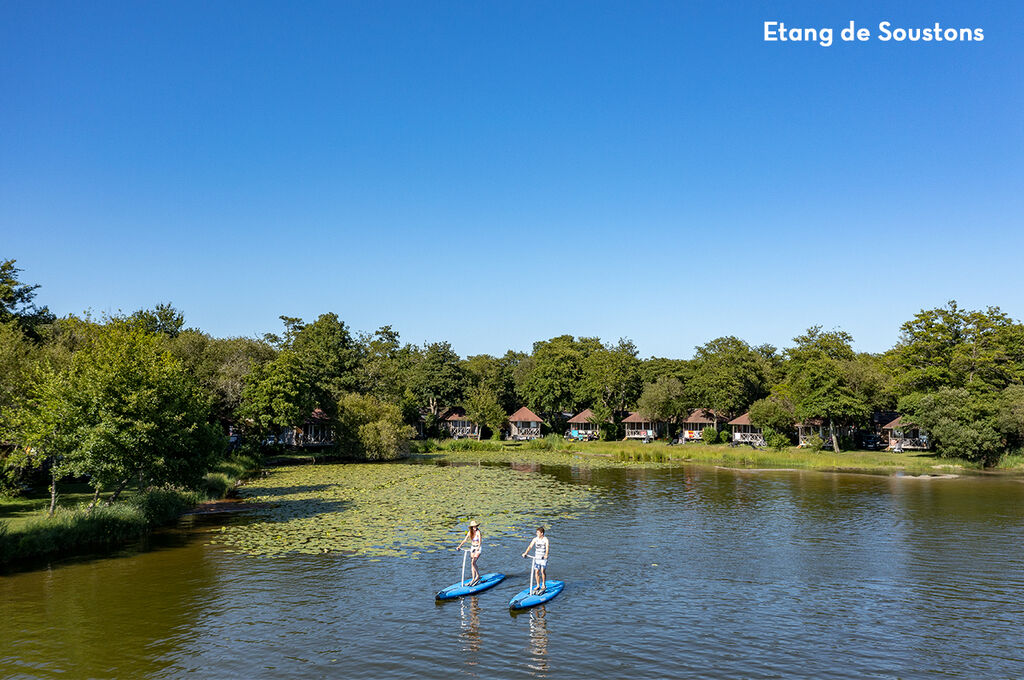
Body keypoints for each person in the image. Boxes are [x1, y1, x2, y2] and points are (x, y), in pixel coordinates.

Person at [522, 526, 549, 594]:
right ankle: (537, 585)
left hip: (543, 558)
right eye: (536, 532)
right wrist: (526, 553)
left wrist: (546, 555)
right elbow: (530, 546)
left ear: (542, 533)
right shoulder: (535, 539)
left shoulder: (545, 539)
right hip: (537, 558)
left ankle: (543, 585)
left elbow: (547, 547)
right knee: (536, 571)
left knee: (542, 571)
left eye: (538, 532)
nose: (536, 533)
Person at [456, 520, 483, 586]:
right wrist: (459, 546)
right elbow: (465, 540)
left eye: (476, 526)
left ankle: (478, 576)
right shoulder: (470, 532)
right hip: (472, 548)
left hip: (477, 548)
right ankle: (473, 578)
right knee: (472, 564)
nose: (475, 527)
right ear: (471, 527)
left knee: (473, 562)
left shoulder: (478, 532)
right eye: (474, 526)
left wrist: (477, 548)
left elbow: (480, 542)